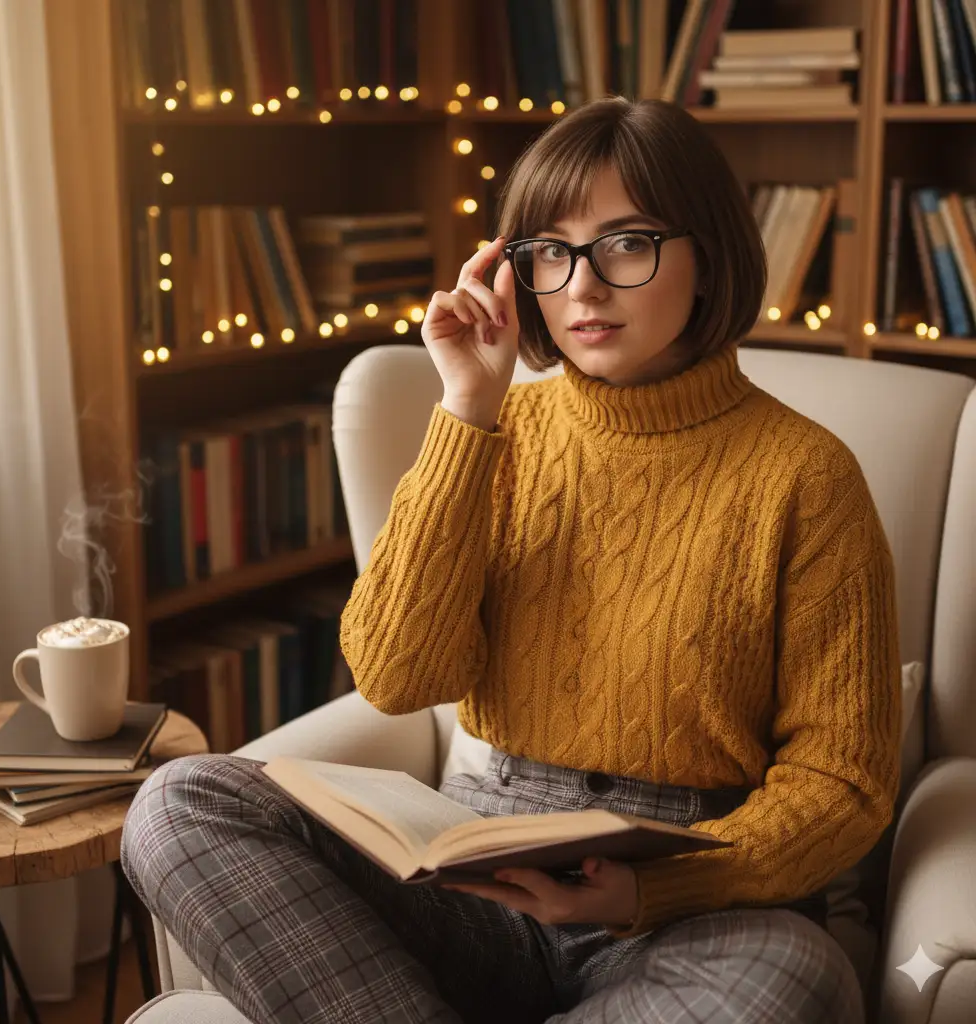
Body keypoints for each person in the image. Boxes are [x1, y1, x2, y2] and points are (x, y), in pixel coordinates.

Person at [121, 97, 900, 1024]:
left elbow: (841, 783)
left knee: (794, 977)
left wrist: (653, 892)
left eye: (625, 243)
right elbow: (398, 672)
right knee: (178, 803)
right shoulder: (495, 432)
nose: (581, 287)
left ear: (709, 254)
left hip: (681, 900)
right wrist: (467, 411)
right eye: (549, 251)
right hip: (478, 874)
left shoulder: (807, 475)